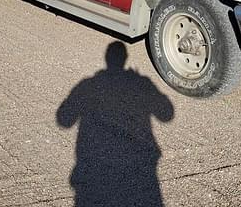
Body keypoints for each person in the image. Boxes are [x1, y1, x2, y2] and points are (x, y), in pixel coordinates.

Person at [57, 41, 174, 206]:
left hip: (95, 170)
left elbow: (64, 119)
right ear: (125, 59)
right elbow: (167, 114)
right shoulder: (141, 83)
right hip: (140, 170)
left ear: (106, 59)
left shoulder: (87, 86)